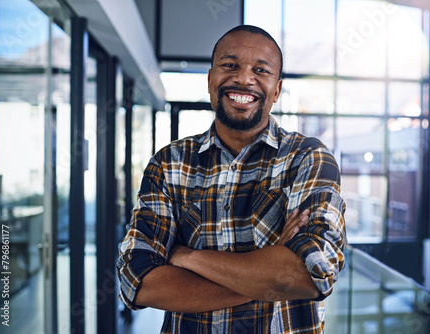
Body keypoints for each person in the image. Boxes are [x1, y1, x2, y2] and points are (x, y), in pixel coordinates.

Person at [117, 24, 347, 333]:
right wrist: (269, 266)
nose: (243, 78)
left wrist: (186, 257)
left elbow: (311, 274)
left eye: (260, 70)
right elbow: (139, 281)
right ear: (210, 79)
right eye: (230, 65)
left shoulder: (308, 159)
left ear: (276, 90)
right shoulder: (169, 163)